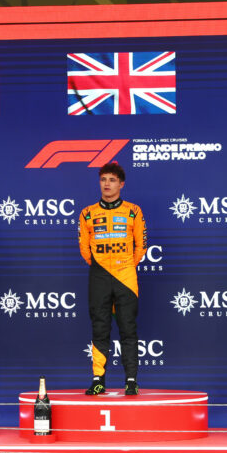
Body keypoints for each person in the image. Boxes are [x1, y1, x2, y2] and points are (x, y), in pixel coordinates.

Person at [78, 162, 147, 396]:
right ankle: (98, 380)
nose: (107, 184)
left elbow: (141, 245)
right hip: (99, 275)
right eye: (103, 179)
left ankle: (131, 381)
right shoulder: (87, 213)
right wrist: (101, 266)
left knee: (128, 328)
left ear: (121, 184)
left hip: (125, 275)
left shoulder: (133, 211)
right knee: (100, 328)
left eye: (112, 180)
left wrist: (125, 265)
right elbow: (84, 248)